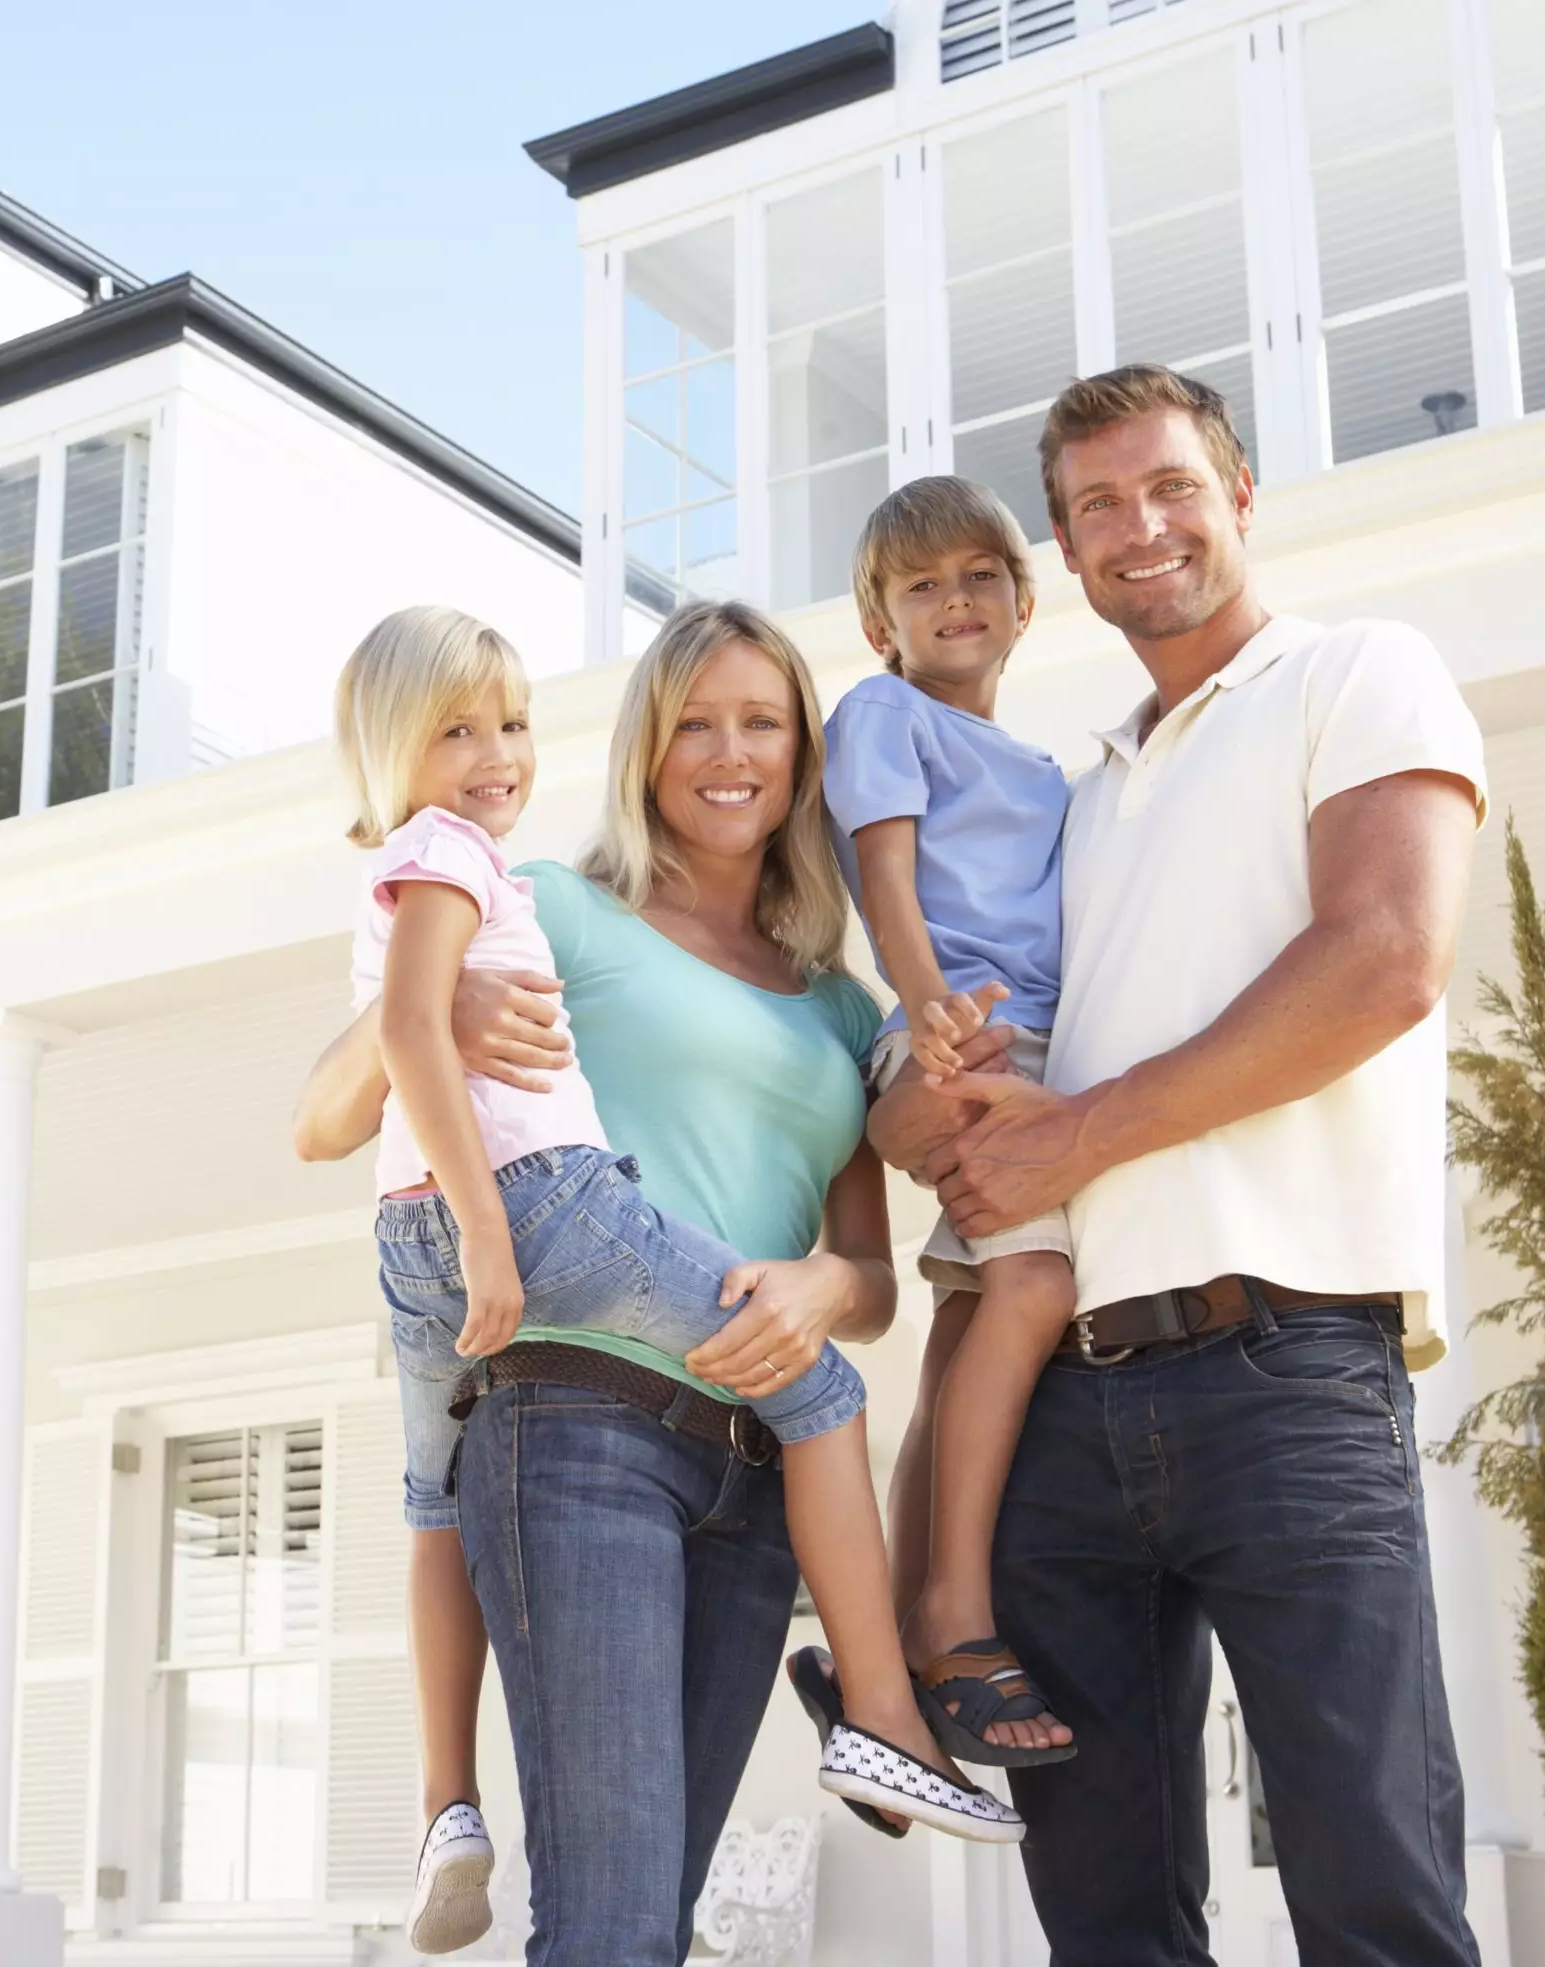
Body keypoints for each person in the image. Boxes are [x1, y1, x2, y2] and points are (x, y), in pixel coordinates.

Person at [871, 364, 1489, 1966]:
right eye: (1096, 507)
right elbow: (966, 1076)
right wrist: (915, 1107)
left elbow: (1386, 959)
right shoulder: (1072, 799)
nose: (1138, 527)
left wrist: (1080, 1130)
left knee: (1374, 1891)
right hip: (1060, 1409)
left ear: (1241, 497)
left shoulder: (1356, 675)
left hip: (1285, 1368)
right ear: (1065, 556)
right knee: (1108, 1923)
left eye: (1169, 488)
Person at [295, 600, 1012, 1967]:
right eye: (696, 721)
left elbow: (866, 1271)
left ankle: (872, 1726)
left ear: (802, 755)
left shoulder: (837, 1005)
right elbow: (324, 1122)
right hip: (580, 1430)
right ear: (645, 747)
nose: (730, 752)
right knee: (612, 1923)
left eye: (763, 722)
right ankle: (878, 1721)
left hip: (752, 1474)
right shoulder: (550, 903)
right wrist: (423, 1013)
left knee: (649, 1926)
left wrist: (817, 1288)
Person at [818, 477, 1079, 1767]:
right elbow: (887, 878)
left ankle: (896, 1646)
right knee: (1032, 1285)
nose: (954, 601)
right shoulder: (883, 713)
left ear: (1024, 603)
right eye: (919, 587)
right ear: (882, 624)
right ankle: (956, 1613)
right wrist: (929, 1012)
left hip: (1039, 1049)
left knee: (974, 1315)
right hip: (968, 1035)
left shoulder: (1044, 767)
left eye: (979, 575)